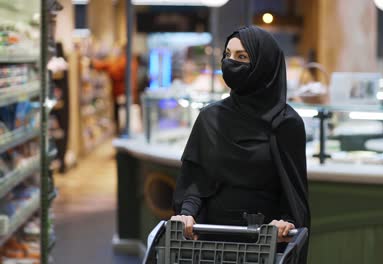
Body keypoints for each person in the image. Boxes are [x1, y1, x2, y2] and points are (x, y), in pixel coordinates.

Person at [171, 26, 310, 262]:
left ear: (263, 65)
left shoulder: (286, 124)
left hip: (264, 245)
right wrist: (186, 215)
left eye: (242, 57)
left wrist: (286, 222)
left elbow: (292, 193)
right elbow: (196, 181)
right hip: (210, 243)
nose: (231, 62)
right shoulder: (210, 117)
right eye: (228, 55)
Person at [92, 44, 138, 132]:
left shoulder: (125, 61)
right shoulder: (131, 61)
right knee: (124, 115)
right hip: (127, 93)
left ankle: (123, 132)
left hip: (121, 94)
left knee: (122, 116)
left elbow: (114, 72)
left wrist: (98, 65)